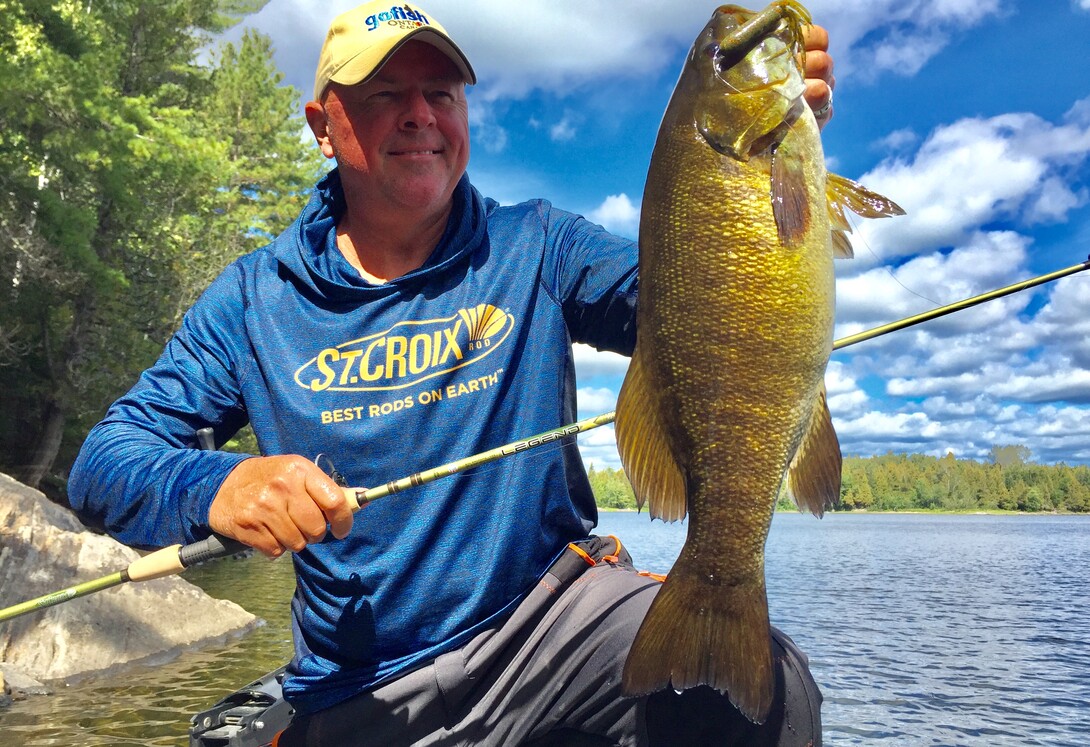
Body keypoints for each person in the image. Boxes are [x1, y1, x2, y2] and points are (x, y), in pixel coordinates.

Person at [69, 2, 837, 745]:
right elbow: (105, 462)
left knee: (770, 697)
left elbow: (696, 303)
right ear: (321, 126)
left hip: (553, 624)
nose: (420, 114)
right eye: (384, 95)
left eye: (440, 92)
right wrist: (220, 487)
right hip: (361, 682)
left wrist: (764, 179)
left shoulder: (536, 242)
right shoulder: (251, 300)